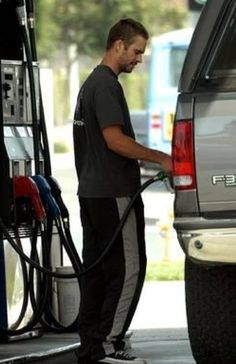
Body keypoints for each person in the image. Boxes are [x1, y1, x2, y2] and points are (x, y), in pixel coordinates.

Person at [73, 18, 172, 364]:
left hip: (92, 194)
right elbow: (114, 140)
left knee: (98, 272)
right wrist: (161, 157)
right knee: (129, 268)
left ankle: (92, 346)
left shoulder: (90, 84)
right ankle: (107, 345)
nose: (139, 59)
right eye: (136, 51)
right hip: (113, 194)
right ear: (118, 45)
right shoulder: (105, 86)